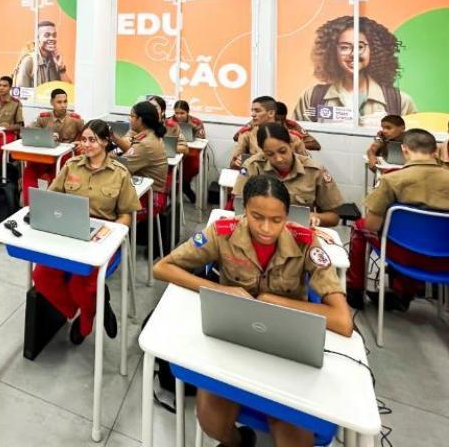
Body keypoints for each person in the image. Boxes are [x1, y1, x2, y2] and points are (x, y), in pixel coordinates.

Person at [154, 174, 352, 447]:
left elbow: (342, 320)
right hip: (235, 337)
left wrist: (274, 301)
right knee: (211, 420)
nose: (266, 228)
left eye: (277, 220)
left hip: (286, 345)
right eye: (257, 217)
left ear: (287, 216)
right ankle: (239, 441)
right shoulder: (223, 232)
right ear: (244, 209)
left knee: (293, 436)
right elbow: (162, 268)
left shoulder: (305, 241)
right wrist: (218, 290)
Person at [32, 119, 140, 344]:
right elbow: (51, 198)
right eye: (84, 139)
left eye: (93, 140)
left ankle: (86, 320)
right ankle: (86, 307)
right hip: (69, 231)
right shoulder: (71, 165)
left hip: (102, 237)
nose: (87, 144)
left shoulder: (120, 173)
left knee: (80, 284)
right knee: (42, 276)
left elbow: (126, 215)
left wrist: (109, 236)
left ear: (105, 142)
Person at [347, 129, 449, 311]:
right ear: (435, 151)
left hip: (403, 255)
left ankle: (355, 291)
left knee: (360, 227)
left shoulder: (392, 180)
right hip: (444, 261)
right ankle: (403, 293)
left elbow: (372, 225)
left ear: (404, 150)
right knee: (420, 236)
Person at [293, 15, 416, 126]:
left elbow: (414, 142)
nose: (353, 54)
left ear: (374, 50)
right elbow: (296, 137)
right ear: (332, 52)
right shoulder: (312, 97)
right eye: (344, 47)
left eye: (360, 47)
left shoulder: (400, 101)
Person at [233, 123, 343, 227]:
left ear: (291, 145)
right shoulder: (252, 166)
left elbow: (334, 217)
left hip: (298, 231)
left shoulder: (314, 171)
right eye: (270, 154)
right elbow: (238, 205)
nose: (279, 159)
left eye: (282, 151)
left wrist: (316, 217)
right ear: (263, 152)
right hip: (260, 229)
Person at [21, 88, 83, 204]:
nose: (63, 105)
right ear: (51, 103)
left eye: (65, 101)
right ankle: (29, 205)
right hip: (46, 156)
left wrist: (81, 142)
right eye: (59, 102)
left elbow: (88, 135)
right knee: (29, 169)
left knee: (60, 171)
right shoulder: (43, 118)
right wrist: (46, 136)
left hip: (65, 158)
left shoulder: (75, 120)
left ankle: (51, 204)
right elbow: (28, 133)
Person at [111, 101, 168, 225]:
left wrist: (104, 156)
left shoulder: (146, 144)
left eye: (132, 116)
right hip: (148, 190)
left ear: (140, 120)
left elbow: (121, 168)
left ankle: (117, 236)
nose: (129, 119)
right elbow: (131, 150)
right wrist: (114, 138)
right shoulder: (149, 135)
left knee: (108, 208)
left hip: (151, 198)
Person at [231, 96, 307, 168]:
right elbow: (233, 163)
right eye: (252, 111)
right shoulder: (247, 136)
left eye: (257, 111)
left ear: (271, 113)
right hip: (256, 175)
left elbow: (307, 165)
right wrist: (236, 163)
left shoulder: (293, 138)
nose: (252, 114)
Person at [14, 20, 71, 88]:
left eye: (54, 35)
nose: (52, 38)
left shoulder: (55, 61)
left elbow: (68, 89)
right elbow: (20, 92)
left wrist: (61, 68)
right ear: (37, 38)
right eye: (47, 35)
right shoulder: (29, 61)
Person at [174, 100, 205, 203]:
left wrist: (192, 129)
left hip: (191, 149)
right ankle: (182, 186)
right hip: (175, 148)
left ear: (187, 112)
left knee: (194, 165)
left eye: (182, 113)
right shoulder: (169, 121)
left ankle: (183, 185)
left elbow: (202, 139)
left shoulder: (196, 122)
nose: (179, 116)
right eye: (176, 113)